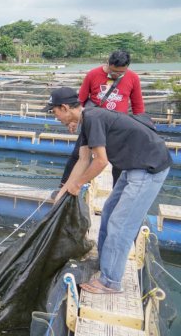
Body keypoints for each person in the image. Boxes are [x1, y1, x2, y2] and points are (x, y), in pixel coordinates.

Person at [47, 87, 171, 294]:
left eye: (54, 112)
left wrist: (78, 185)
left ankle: (111, 281)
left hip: (149, 168)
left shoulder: (93, 118)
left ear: (65, 108)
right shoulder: (87, 120)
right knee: (108, 212)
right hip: (133, 166)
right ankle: (105, 261)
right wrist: (65, 189)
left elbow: (101, 162)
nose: (55, 116)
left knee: (120, 224)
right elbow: (83, 160)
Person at [60, 50, 144, 187]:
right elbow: (79, 100)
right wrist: (73, 120)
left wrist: (143, 126)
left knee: (119, 163)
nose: (116, 75)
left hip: (117, 128)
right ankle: (63, 185)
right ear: (108, 63)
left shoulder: (133, 78)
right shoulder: (93, 74)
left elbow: (138, 106)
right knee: (78, 155)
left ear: (127, 67)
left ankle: (117, 192)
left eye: (120, 73)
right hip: (92, 123)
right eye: (113, 71)